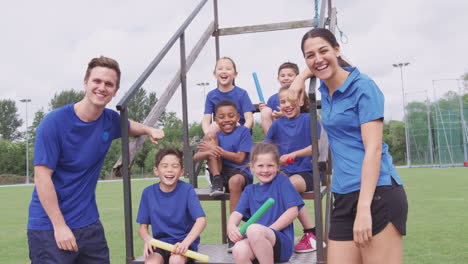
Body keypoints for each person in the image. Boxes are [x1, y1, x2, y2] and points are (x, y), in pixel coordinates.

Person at [27, 56, 165, 264]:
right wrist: (60, 226)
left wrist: (149, 129)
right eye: (97, 81)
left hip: (89, 226)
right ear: (85, 83)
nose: (102, 87)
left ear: (115, 91)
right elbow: (41, 177)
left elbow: (129, 126)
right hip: (50, 227)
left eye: (109, 84)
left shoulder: (109, 120)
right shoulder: (53, 123)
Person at [289, 28, 408, 264]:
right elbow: (317, 64)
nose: (317, 59)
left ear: (337, 49)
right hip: (342, 196)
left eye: (324, 50)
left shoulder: (363, 86)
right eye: (309, 55)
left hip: (376, 194)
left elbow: (372, 149)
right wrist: (299, 78)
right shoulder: (324, 87)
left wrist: (364, 208)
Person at [264, 85, 322, 253]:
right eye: (283, 101)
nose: (287, 105)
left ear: (301, 101)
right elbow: (267, 149)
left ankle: (311, 232)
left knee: (287, 186)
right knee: (271, 186)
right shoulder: (277, 125)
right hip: (284, 175)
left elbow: (317, 146)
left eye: (291, 100)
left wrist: (294, 155)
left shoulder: (308, 119)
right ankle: (276, 235)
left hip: (308, 173)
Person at [228, 142, 304, 263]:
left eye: (270, 165)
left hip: (279, 241)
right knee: (238, 249)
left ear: (278, 166)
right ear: (252, 167)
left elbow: (293, 211)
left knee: (253, 229)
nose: (265, 170)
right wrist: (231, 227)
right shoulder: (249, 190)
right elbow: (237, 214)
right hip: (255, 239)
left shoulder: (282, 181)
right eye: (260, 166)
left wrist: (267, 231)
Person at [137, 148, 206, 264]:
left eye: (175, 166)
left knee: (176, 260)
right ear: (156, 170)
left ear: (182, 171)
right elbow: (142, 227)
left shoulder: (187, 190)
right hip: (160, 243)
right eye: (164, 166)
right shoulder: (148, 193)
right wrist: (148, 239)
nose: (170, 170)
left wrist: (185, 243)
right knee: (151, 262)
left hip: (183, 244)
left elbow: (201, 221)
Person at [194, 100, 253, 207]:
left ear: (238, 117)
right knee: (210, 136)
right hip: (219, 173)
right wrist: (209, 151)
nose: (227, 120)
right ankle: (217, 180)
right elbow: (196, 157)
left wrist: (215, 149)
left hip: (239, 173)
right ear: (216, 120)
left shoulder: (243, 132)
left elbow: (240, 158)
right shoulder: (215, 136)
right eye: (221, 117)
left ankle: (233, 222)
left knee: (234, 181)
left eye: (231, 116)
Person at [202, 57, 255, 134]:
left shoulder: (242, 94)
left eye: (228, 69)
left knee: (234, 123)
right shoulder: (211, 96)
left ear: (235, 74)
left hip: (239, 131)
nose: (224, 71)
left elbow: (249, 119)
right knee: (214, 125)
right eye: (220, 69)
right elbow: (206, 120)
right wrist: (207, 134)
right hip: (221, 131)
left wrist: (241, 134)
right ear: (214, 74)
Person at [259, 62, 300, 135]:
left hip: (297, 130)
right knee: (265, 111)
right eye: (282, 76)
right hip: (279, 132)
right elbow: (269, 119)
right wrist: (264, 110)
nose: (286, 78)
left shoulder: (301, 95)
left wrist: (284, 115)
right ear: (278, 78)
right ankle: (270, 143)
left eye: (290, 75)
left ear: (297, 77)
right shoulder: (273, 99)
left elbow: (305, 116)